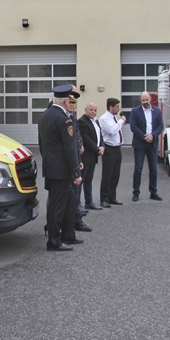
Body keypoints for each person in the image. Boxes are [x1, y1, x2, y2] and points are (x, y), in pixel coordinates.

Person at [38, 85, 83, 251]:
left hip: (52, 166)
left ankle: (67, 236)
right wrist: (76, 171)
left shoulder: (45, 116)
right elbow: (69, 148)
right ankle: (54, 241)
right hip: (61, 170)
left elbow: (42, 144)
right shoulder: (64, 118)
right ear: (65, 100)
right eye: (70, 99)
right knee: (57, 206)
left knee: (67, 202)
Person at [65, 87, 92, 233]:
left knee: (76, 192)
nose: (73, 104)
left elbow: (76, 134)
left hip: (76, 157)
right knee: (65, 195)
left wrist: (80, 146)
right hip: (65, 162)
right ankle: (63, 224)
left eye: (75, 102)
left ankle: (76, 220)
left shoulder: (72, 114)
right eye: (71, 101)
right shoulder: (59, 113)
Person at [130, 91, 164, 201]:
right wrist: (145, 136)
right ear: (141, 101)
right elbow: (133, 127)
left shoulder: (157, 111)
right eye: (143, 100)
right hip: (140, 143)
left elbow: (160, 126)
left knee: (153, 168)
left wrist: (153, 135)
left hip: (152, 143)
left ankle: (153, 192)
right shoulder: (135, 111)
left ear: (150, 99)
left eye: (147, 100)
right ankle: (136, 192)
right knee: (138, 169)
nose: (145, 102)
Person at [99, 97, 126, 207]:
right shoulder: (104, 118)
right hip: (109, 148)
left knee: (115, 174)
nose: (118, 109)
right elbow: (111, 131)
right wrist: (121, 121)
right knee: (107, 174)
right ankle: (104, 198)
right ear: (111, 107)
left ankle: (112, 197)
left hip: (117, 148)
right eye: (117, 107)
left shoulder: (114, 118)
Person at [78, 102, 105, 210]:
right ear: (85, 110)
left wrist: (102, 146)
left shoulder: (96, 121)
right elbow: (86, 139)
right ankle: (78, 204)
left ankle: (89, 202)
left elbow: (100, 136)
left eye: (95, 110)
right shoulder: (82, 122)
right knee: (81, 181)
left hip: (93, 156)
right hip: (85, 157)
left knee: (89, 180)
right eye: (91, 110)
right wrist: (97, 149)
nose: (93, 112)